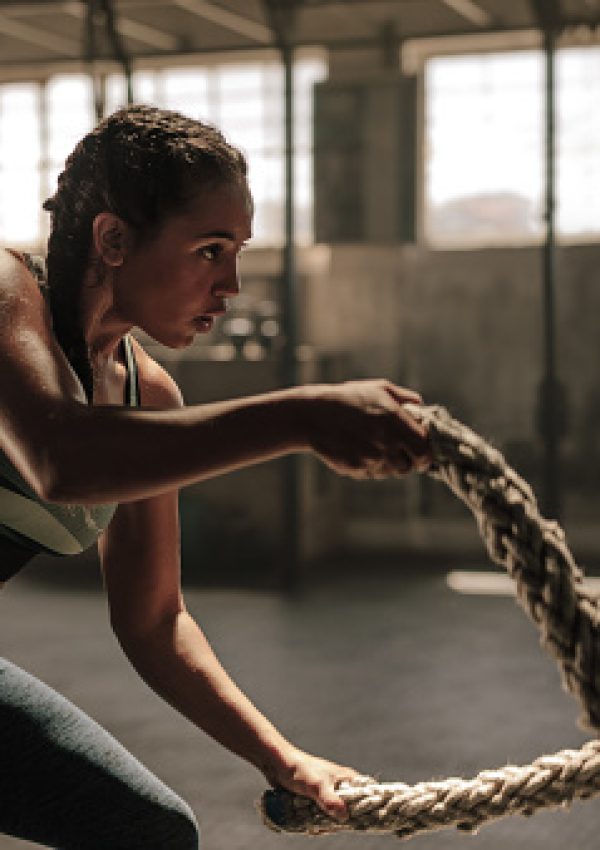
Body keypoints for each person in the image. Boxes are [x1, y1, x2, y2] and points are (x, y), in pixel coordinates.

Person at [0, 104, 430, 849]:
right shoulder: (5, 293)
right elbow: (59, 458)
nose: (230, 284)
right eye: (209, 249)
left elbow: (155, 620)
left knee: (150, 833)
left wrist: (282, 757)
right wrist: (299, 418)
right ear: (113, 239)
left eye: (237, 250)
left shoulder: (149, 394)